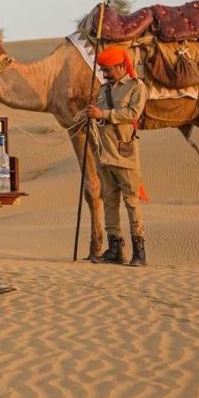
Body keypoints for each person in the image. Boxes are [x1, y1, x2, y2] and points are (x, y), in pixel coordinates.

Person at [85, 46, 148, 266]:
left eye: (108, 69)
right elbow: (102, 120)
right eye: (102, 69)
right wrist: (94, 116)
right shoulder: (103, 90)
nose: (104, 74)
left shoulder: (136, 87)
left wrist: (104, 113)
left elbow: (132, 113)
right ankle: (115, 250)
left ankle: (139, 252)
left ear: (122, 66)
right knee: (110, 203)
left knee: (131, 202)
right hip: (104, 155)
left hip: (125, 154)